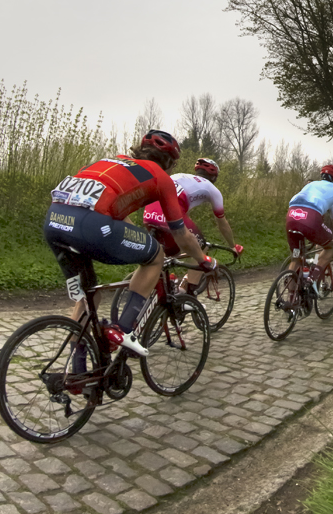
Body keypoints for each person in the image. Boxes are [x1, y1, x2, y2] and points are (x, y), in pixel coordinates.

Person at [43, 130, 217, 355]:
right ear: (170, 163)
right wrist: (202, 260)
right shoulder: (160, 176)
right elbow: (181, 235)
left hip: (54, 221)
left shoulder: (112, 161)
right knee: (155, 256)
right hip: (91, 225)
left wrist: (137, 239)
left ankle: (77, 372)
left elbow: (110, 209)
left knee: (89, 294)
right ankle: (123, 330)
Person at [142, 156, 243, 291]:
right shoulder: (212, 189)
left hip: (149, 212)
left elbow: (180, 209)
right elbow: (222, 223)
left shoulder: (181, 176)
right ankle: (188, 292)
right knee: (201, 247)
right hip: (169, 216)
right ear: (214, 177)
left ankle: (165, 283)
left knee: (167, 251)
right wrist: (232, 246)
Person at [285, 164, 333, 289]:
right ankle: (311, 280)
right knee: (329, 247)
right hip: (311, 218)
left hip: (291, 215)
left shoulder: (310, 185)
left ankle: (290, 300)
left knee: (296, 258)